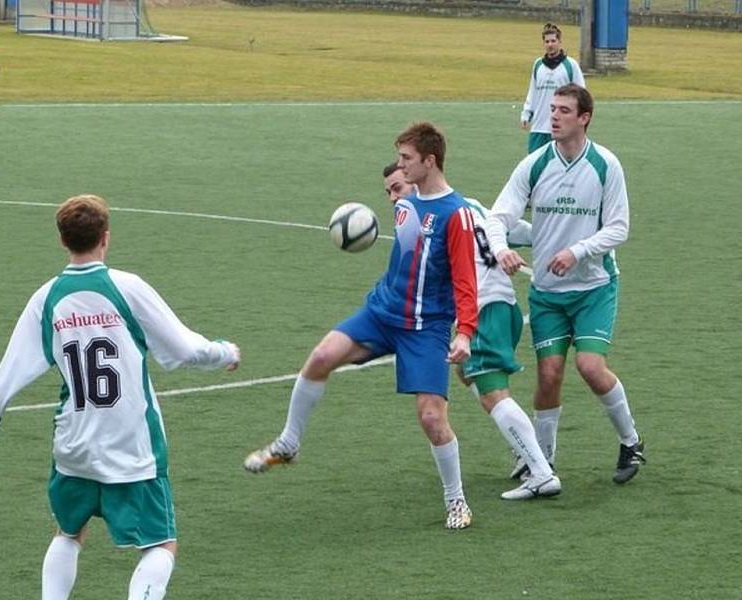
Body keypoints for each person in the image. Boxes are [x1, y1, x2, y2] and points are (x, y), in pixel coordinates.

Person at [0, 194, 241, 600]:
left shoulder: (46, 298)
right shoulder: (126, 288)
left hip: (73, 444)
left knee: (69, 532)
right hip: (132, 447)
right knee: (160, 544)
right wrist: (225, 352)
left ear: (63, 241)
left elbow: (6, 375)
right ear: (106, 238)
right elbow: (186, 350)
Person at [245, 123, 479, 530]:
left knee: (431, 418)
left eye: (406, 159)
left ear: (430, 160)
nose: (400, 168)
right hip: (382, 313)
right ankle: (288, 444)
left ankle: (456, 500)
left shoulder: (456, 215)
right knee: (321, 357)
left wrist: (465, 333)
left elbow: (465, 280)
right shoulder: (406, 203)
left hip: (426, 328)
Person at [486, 84, 645, 486]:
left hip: (594, 287)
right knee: (549, 373)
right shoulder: (535, 164)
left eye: (562, 111)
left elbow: (619, 228)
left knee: (590, 366)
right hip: (548, 294)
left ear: (584, 118)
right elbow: (497, 216)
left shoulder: (606, 165)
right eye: (551, 109)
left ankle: (631, 441)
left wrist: (577, 251)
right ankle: (542, 464)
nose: (553, 117)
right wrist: (502, 248)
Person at [385, 163, 561, 500]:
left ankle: (540, 471)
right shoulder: (471, 205)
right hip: (504, 308)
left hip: (482, 309)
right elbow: (511, 229)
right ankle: (526, 450)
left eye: (398, 187)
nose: (394, 197)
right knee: (468, 373)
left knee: (493, 392)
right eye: (390, 192)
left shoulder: (428, 222)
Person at [520, 22, 585, 154]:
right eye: (547, 41)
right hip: (539, 127)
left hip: (562, 127)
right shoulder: (538, 65)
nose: (550, 44)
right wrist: (526, 113)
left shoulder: (570, 65)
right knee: (534, 167)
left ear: (560, 42)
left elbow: (581, 94)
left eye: (553, 41)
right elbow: (533, 91)